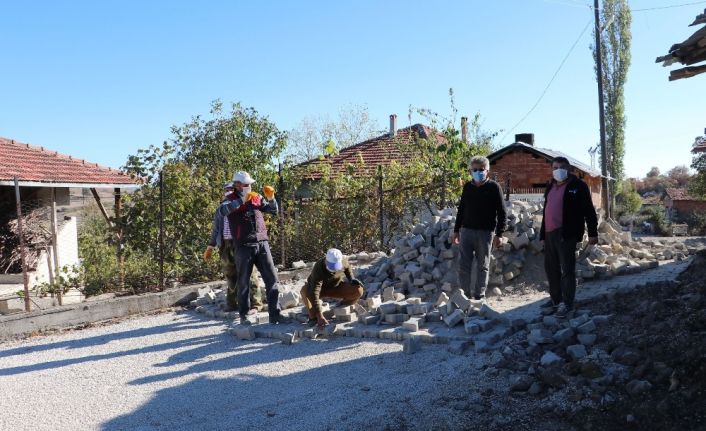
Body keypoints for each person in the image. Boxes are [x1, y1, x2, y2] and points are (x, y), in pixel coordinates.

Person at [220, 171, 286, 324]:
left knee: (272, 279)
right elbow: (223, 211)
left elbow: (272, 210)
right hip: (243, 246)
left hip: (262, 243)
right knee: (243, 282)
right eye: (246, 184)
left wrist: (271, 198)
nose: (249, 187)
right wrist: (242, 200)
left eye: (250, 184)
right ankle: (244, 316)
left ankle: (275, 315)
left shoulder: (255, 197)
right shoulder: (229, 200)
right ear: (237, 185)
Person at [539, 156, 598, 318]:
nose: (557, 170)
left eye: (561, 167)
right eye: (554, 167)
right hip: (550, 234)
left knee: (567, 270)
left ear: (568, 169)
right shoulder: (550, 186)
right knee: (551, 269)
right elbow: (546, 211)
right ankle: (555, 301)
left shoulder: (578, 186)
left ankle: (567, 303)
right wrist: (542, 234)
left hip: (567, 233)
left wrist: (593, 232)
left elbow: (588, 211)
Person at [452, 156, 507, 301]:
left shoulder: (494, 187)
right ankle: (464, 295)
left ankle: (479, 295)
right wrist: (456, 230)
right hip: (467, 231)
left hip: (485, 233)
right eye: (475, 170)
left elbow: (502, 212)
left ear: (487, 171)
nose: (478, 172)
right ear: (470, 171)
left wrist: (499, 233)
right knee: (464, 265)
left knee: (483, 265)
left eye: (481, 170)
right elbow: (461, 209)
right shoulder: (468, 187)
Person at [204, 182, 262, 313]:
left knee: (250, 273)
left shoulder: (243, 205)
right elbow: (216, 228)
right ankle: (232, 303)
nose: (229, 191)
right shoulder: (222, 208)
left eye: (231, 189)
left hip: (241, 242)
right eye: (226, 189)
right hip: (225, 244)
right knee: (230, 273)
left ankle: (256, 304)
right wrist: (211, 246)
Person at [300, 248, 364, 327]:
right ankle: (313, 317)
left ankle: (342, 306)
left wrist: (351, 279)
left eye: (335, 267)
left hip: (335, 287)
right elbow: (314, 292)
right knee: (304, 290)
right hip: (321, 290)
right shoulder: (319, 267)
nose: (333, 270)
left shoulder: (343, 261)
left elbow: (347, 268)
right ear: (326, 260)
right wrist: (320, 315)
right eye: (331, 266)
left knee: (358, 290)